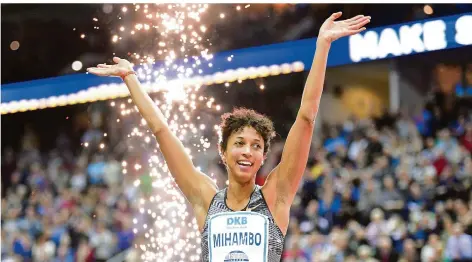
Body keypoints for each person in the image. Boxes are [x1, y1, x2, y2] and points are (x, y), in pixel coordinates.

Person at [87, 12, 370, 262]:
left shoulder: (276, 196)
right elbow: (161, 130)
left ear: (263, 157)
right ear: (223, 152)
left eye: (256, 146)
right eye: (239, 143)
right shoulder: (206, 200)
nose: (248, 151)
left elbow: (306, 118)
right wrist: (130, 79)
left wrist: (322, 46)